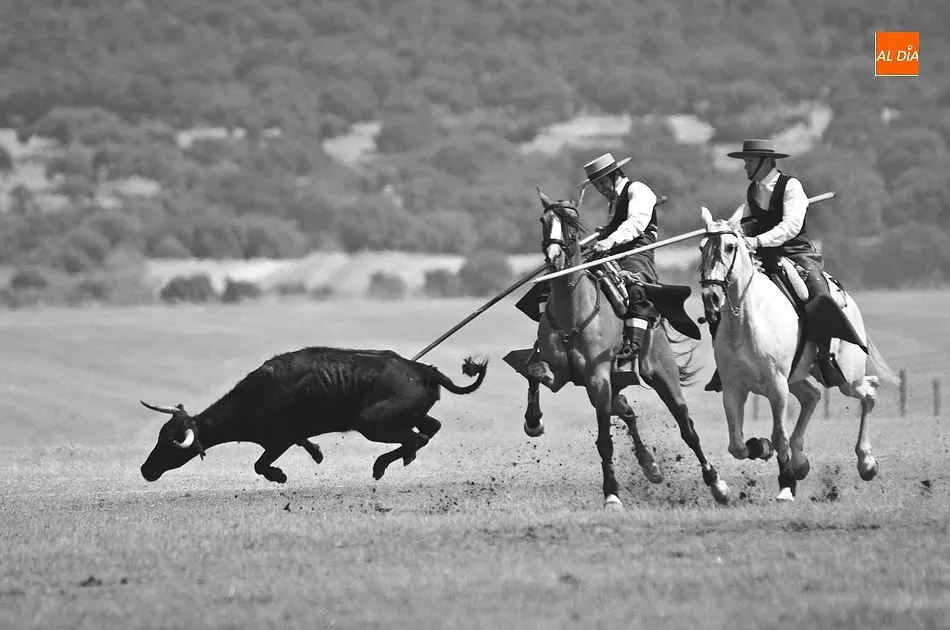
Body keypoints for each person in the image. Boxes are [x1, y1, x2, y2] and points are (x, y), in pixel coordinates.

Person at [703, 139, 868, 392]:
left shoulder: (792, 187)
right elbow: (747, 222)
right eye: (746, 162)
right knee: (725, 297)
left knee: (818, 295)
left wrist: (758, 240)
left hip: (797, 254)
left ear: (765, 162)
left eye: (749, 161)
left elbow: (790, 227)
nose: (745, 167)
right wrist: (730, 230)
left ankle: (824, 358)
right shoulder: (753, 190)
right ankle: (725, 363)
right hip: (761, 256)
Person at [580, 152, 662, 372]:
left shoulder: (638, 190)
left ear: (615, 174)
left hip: (637, 254)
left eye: (602, 183)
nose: (600, 189)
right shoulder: (614, 203)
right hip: (613, 255)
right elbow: (618, 226)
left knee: (634, 289)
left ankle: (631, 351)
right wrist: (605, 232)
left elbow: (635, 224)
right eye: (596, 185)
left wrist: (610, 239)